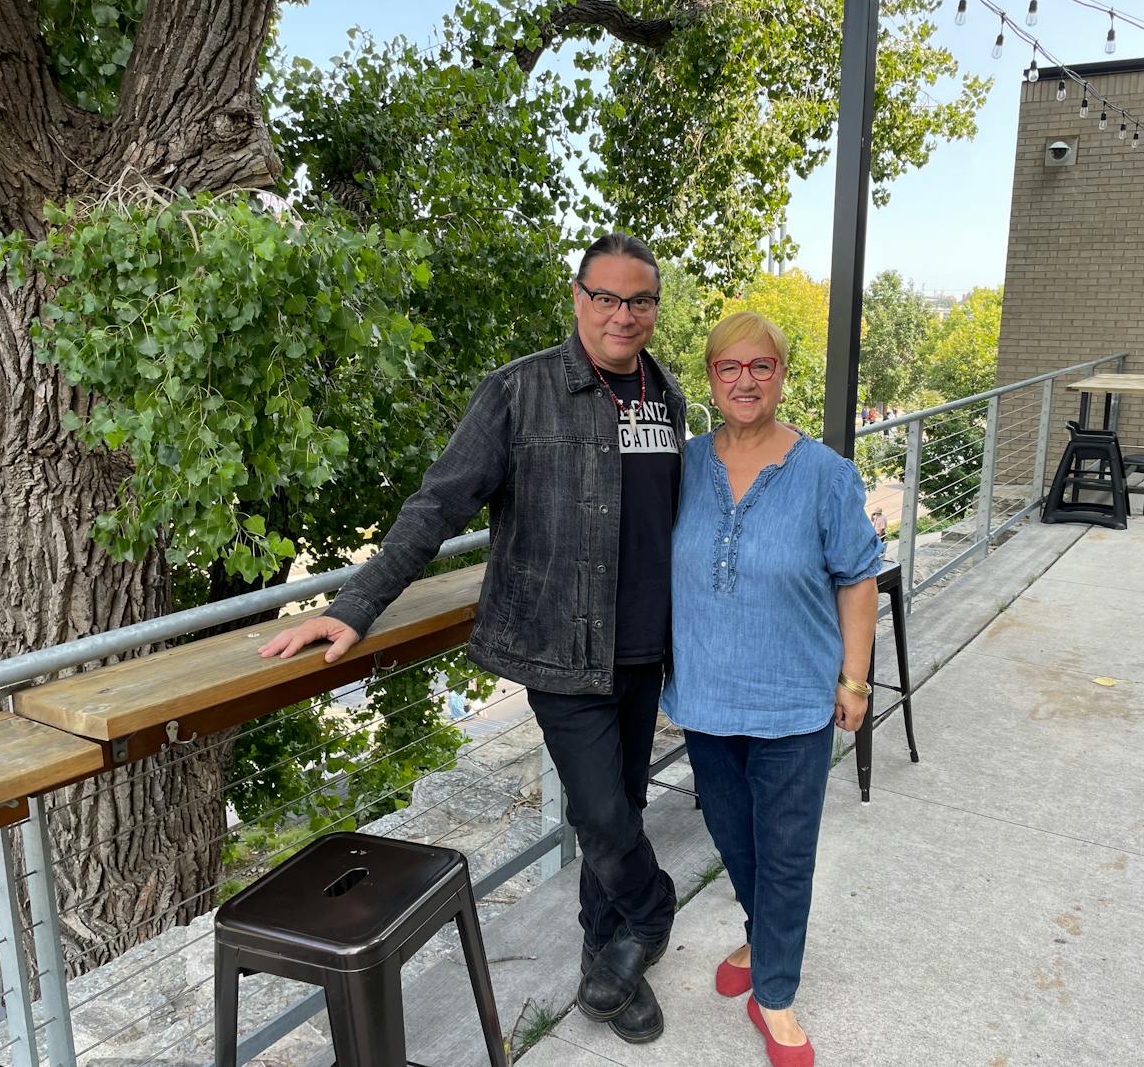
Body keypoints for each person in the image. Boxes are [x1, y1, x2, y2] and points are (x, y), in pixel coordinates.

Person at [257, 233, 686, 1044]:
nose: (623, 315)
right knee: (601, 815)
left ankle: (611, 965)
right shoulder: (519, 392)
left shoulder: (667, 400)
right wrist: (355, 605)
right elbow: (438, 505)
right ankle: (652, 913)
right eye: (607, 297)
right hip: (558, 645)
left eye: (640, 300)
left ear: (654, 308)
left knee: (622, 804)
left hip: (644, 646)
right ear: (578, 298)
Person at [661, 311, 880, 1067]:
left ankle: (776, 993)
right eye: (730, 367)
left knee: (785, 852)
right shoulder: (683, 466)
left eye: (762, 367)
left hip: (793, 701)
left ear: (783, 376)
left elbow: (858, 581)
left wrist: (855, 678)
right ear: (711, 376)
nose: (745, 380)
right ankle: (762, 939)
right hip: (706, 698)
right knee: (733, 837)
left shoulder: (824, 474)